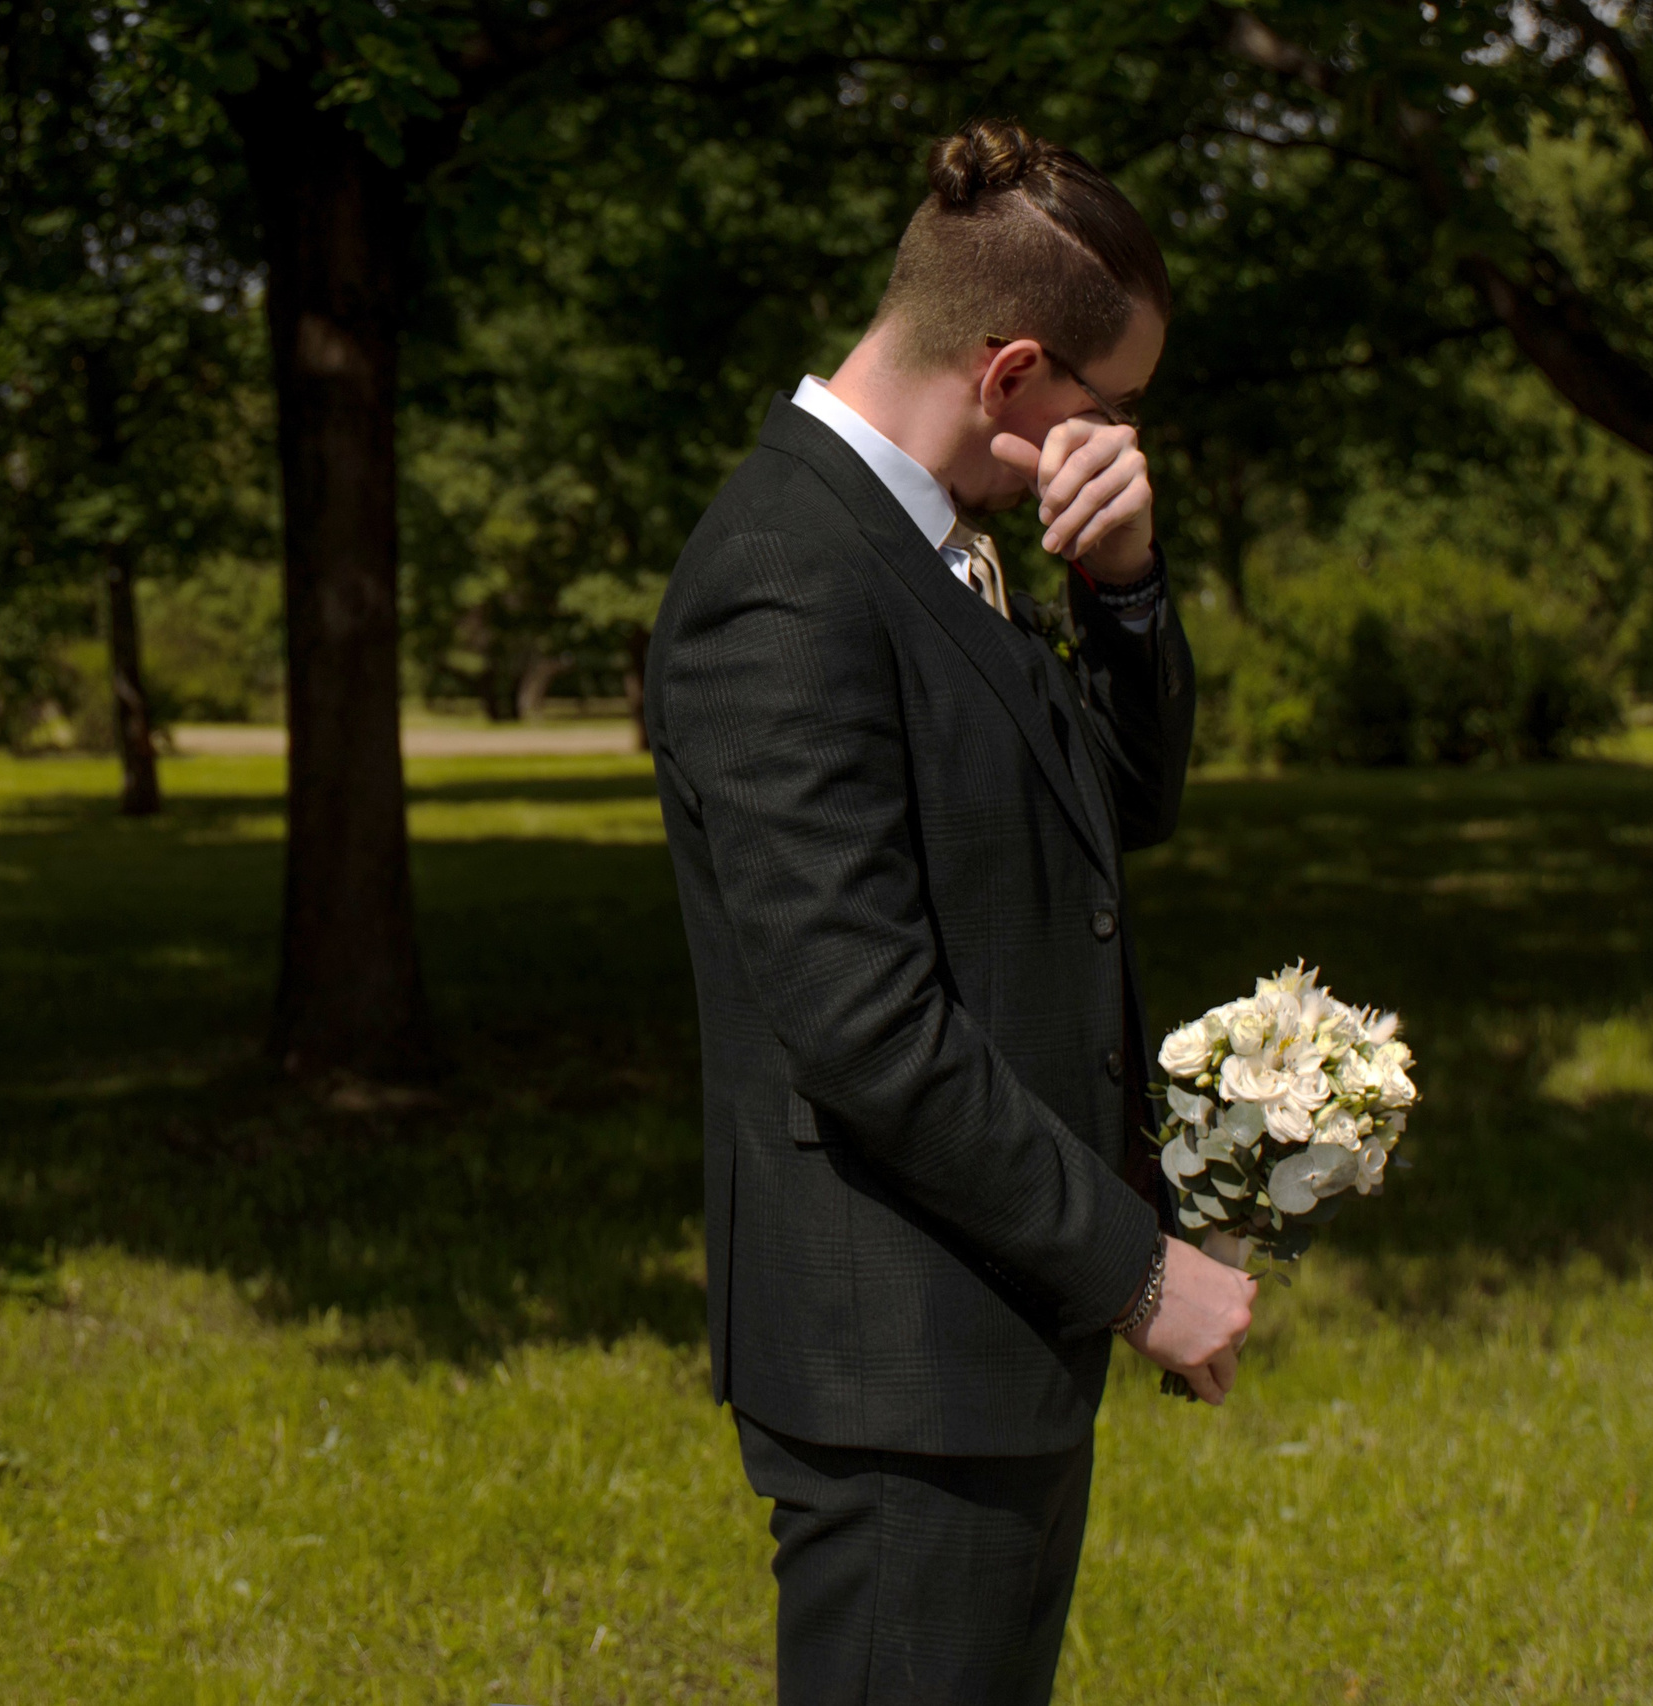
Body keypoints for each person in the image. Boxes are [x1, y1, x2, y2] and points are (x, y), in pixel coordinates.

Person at [644, 118, 1256, 1704]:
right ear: (1013, 376)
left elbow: (1108, 818)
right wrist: (1136, 1267)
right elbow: (865, 1024)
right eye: (1107, 408)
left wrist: (1119, 587)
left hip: (988, 1340)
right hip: (896, 1365)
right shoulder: (785, 575)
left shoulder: (945, 548)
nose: (1120, 437)